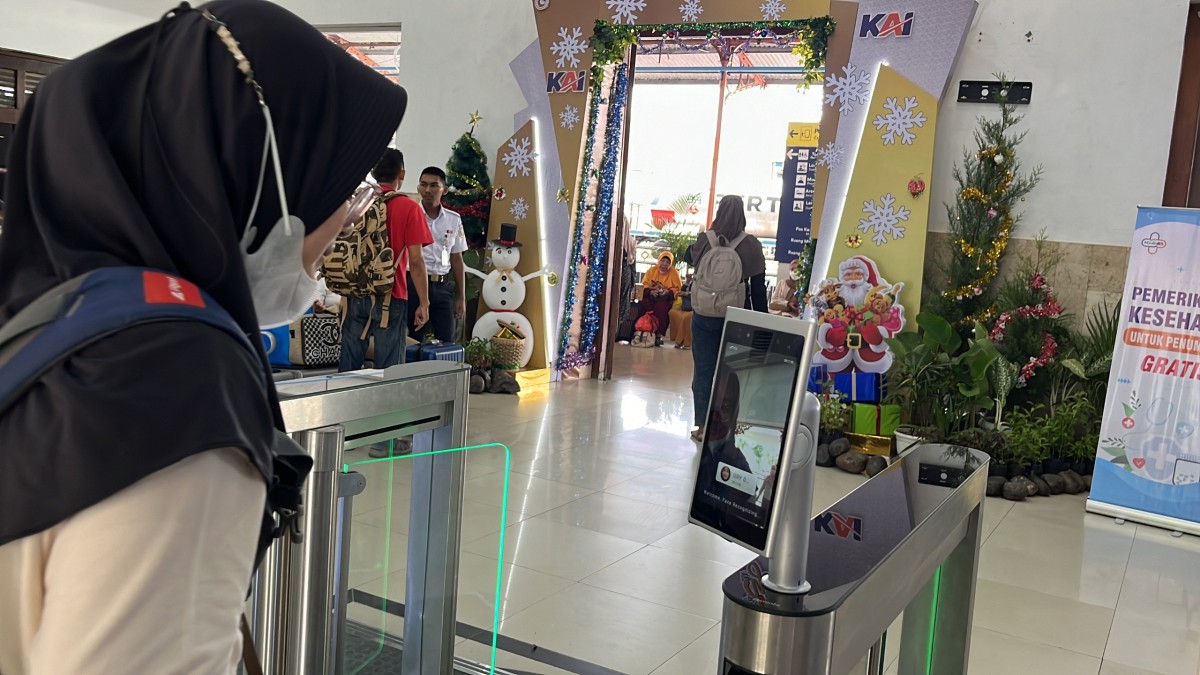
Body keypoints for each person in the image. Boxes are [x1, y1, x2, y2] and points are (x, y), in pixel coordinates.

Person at [0, 2, 407, 673]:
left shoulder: (53, 322)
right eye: (344, 186)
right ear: (256, 176)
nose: (347, 215)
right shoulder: (180, 389)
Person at [338, 149, 432, 372]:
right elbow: (417, 262)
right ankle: (389, 407)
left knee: (348, 366)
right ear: (402, 174)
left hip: (355, 292)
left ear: (374, 172)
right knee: (390, 371)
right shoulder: (409, 207)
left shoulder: (359, 203)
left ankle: (343, 405)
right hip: (391, 293)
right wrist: (424, 303)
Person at [685, 195, 768, 442]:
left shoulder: (705, 240)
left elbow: (688, 258)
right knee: (731, 374)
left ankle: (701, 427)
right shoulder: (750, 244)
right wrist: (762, 320)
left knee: (703, 371)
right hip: (736, 317)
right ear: (742, 214)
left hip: (703, 315)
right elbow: (759, 288)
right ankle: (726, 428)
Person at [410, 166, 466, 343]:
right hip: (414, 284)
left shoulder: (453, 219)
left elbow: (456, 258)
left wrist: (462, 297)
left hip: (442, 286)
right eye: (423, 185)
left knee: (447, 339)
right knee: (412, 339)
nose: (428, 190)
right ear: (418, 187)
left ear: (445, 189)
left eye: (434, 185)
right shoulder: (411, 215)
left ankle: (445, 371)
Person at [636, 251, 682, 346]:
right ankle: (640, 332)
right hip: (651, 296)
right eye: (663, 261)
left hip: (664, 299)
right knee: (641, 305)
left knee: (661, 309)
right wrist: (650, 291)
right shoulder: (652, 271)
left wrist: (667, 292)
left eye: (668, 262)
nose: (664, 264)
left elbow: (678, 288)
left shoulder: (674, 273)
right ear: (659, 261)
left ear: (670, 264)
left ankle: (658, 335)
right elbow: (644, 284)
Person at [458, 230, 488, 342]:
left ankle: (468, 340)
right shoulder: (473, 255)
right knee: (470, 320)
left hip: (475, 292)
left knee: (470, 320)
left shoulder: (477, 254)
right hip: (474, 292)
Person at [669, 273, 693, 349]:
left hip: (695, 309)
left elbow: (698, 295)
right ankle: (678, 339)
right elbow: (681, 291)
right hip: (683, 307)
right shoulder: (689, 283)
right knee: (672, 313)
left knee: (686, 317)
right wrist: (687, 282)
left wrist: (686, 294)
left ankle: (684, 342)